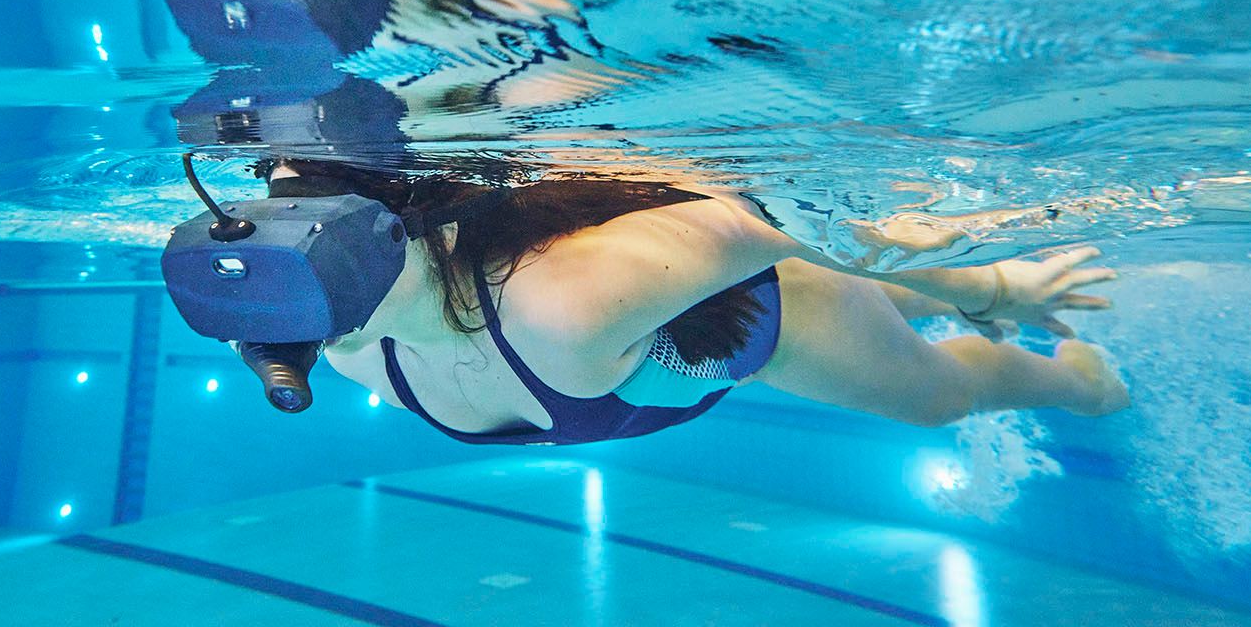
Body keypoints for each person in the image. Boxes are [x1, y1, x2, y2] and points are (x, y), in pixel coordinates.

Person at [264, 159, 1128, 445]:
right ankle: (939, 307)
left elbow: (806, 214)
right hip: (685, 298)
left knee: (942, 397)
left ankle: (1081, 386)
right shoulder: (343, 355)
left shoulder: (562, 303)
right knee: (909, 321)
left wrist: (996, 285)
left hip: (778, 313)